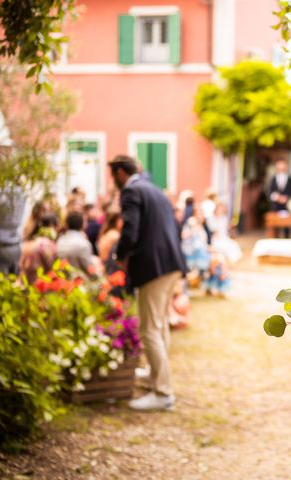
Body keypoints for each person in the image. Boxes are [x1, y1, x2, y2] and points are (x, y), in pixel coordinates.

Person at [109, 155, 187, 411]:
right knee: (159, 324)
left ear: (121, 173)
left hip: (153, 267)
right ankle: (156, 376)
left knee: (149, 329)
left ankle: (163, 393)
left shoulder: (131, 191)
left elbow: (130, 229)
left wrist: (119, 256)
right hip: (171, 263)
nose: (113, 181)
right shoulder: (152, 188)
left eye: (113, 175)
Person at [19, 214, 59, 284]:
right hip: (37, 285)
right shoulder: (46, 245)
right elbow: (52, 267)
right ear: (53, 225)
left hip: (22, 281)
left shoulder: (30, 241)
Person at [56, 211, 96, 277]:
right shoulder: (84, 244)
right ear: (83, 224)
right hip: (78, 281)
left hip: (61, 278)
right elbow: (89, 269)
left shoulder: (60, 240)